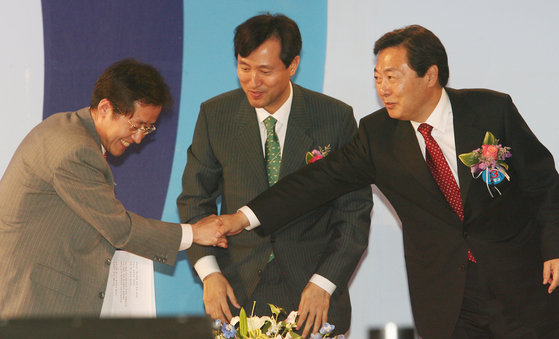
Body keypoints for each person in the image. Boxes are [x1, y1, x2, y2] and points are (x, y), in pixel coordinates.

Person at [216, 25, 559, 338]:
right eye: (378, 77)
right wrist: (243, 217)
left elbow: (543, 184)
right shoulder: (377, 136)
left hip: (521, 284)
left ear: (430, 75)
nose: (383, 89)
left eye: (392, 77)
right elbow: (314, 182)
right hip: (449, 299)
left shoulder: (490, 111)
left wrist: (554, 247)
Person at [176, 13, 372, 337]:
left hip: (313, 297)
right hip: (236, 294)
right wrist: (209, 273)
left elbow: (354, 212)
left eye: (265, 71)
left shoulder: (334, 118)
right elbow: (195, 201)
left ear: (292, 65)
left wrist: (324, 283)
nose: (253, 82)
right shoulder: (216, 115)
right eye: (244, 67)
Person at [0, 59, 226, 319]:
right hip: (35, 305)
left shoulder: (68, 130)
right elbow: (121, 229)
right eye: (135, 125)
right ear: (105, 108)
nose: (140, 138)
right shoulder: (75, 150)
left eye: (147, 128)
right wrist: (194, 233)